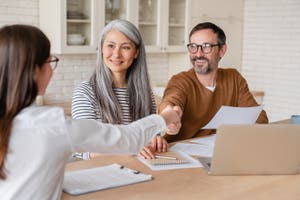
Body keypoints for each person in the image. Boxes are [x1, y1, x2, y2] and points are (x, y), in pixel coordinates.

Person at [0, 24, 181, 199]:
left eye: (125, 47)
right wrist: (167, 116)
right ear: (34, 71)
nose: (51, 69)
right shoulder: (52, 123)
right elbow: (126, 138)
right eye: (49, 61)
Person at [72, 19, 174, 159]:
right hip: (104, 174)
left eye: (125, 47)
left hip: (140, 169)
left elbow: (149, 135)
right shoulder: (86, 92)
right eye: (110, 46)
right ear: (101, 48)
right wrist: (131, 148)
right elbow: (84, 149)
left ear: (136, 53)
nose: (116, 54)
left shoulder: (144, 93)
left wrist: (156, 141)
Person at [159, 22, 268, 143]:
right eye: (193, 47)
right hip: (179, 155)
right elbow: (170, 101)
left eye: (206, 47)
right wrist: (169, 115)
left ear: (222, 50)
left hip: (219, 151)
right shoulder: (180, 81)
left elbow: (258, 116)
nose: (198, 54)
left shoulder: (234, 78)